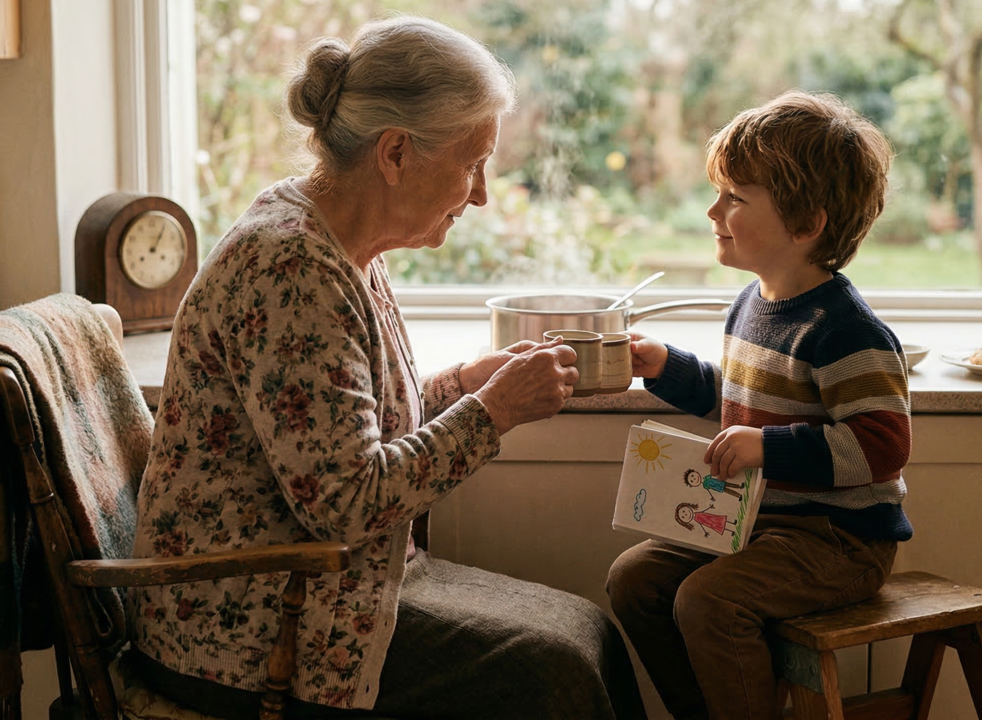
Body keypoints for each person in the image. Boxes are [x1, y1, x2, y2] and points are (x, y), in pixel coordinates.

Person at [127, 16, 644, 720]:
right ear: (395, 152)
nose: (483, 193)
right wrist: (494, 410)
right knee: (555, 674)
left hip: (334, 586)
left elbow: (352, 431)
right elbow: (346, 502)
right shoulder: (290, 266)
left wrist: (465, 383)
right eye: (472, 164)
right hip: (253, 628)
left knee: (584, 636)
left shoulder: (342, 246)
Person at [605, 90, 913, 720]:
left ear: (806, 225)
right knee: (634, 580)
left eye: (736, 198)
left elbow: (881, 446)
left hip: (839, 541)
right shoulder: (751, 304)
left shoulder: (846, 329)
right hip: (757, 523)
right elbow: (742, 400)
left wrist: (767, 450)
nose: (713, 209)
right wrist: (666, 367)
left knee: (709, 602)